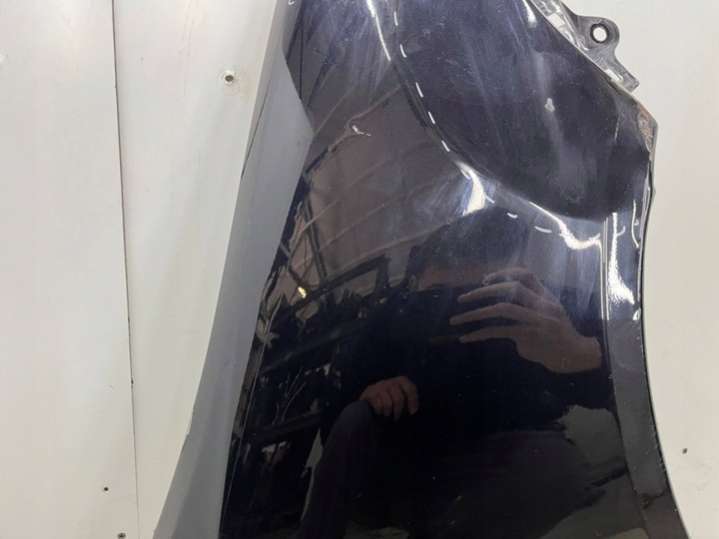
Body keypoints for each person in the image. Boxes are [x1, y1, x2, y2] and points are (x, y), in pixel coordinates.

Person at [296, 211, 609, 539]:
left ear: (515, 278)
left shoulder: (538, 312)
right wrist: (367, 393)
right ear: (414, 285)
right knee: (355, 418)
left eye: (483, 295)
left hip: (492, 473)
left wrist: (581, 352)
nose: (455, 311)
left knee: (557, 467)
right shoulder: (391, 319)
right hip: (401, 468)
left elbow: (630, 388)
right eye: (436, 299)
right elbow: (331, 420)